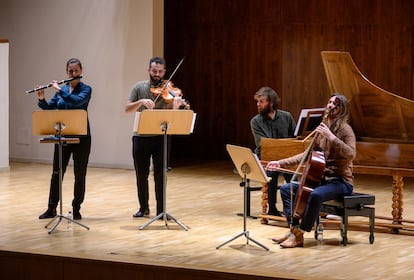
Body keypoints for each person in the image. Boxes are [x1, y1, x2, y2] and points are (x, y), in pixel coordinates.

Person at [266, 93, 356, 248]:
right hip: (322, 180)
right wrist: (279, 163)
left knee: (315, 194)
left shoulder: (345, 130)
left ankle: (300, 233)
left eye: (336, 104)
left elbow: (351, 154)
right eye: (330, 102)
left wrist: (331, 137)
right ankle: (292, 229)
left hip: (340, 182)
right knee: (287, 189)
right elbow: (306, 154)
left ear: (343, 110)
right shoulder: (322, 129)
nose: (331, 106)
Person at [125, 57, 186, 219]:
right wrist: (140, 101)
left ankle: (161, 210)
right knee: (141, 174)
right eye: (154, 71)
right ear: (148, 70)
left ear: (165, 72)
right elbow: (127, 108)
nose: (157, 75)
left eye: (160, 72)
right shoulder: (139, 87)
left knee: (161, 174)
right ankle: (143, 208)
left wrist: (176, 106)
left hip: (161, 138)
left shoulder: (169, 90)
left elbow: (171, 118)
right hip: (141, 137)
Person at [37, 58, 92, 220]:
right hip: (63, 137)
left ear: (81, 71)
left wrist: (59, 90)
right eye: (70, 71)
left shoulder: (86, 89)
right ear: (66, 72)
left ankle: (76, 208)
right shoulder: (61, 91)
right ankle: (52, 208)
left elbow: (77, 102)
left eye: (75, 71)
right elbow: (49, 108)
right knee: (57, 173)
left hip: (81, 137)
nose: (73, 74)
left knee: (79, 174)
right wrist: (41, 97)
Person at [250, 86, 296, 216]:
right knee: (272, 171)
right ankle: (272, 207)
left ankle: (294, 207)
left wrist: (285, 153)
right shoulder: (256, 121)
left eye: (261, 101)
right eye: (257, 102)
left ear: (271, 102)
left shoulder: (286, 116)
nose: (258, 104)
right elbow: (262, 143)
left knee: (293, 174)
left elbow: (294, 137)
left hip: (285, 155)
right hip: (265, 156)